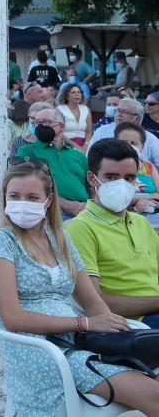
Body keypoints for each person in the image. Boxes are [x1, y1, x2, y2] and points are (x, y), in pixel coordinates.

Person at [0, 160, 159, 416]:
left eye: (32, 197)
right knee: (154, 395)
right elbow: (12, 318)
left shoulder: (59, 239)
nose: (22, 203)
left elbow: (92, 302)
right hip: (39, 347)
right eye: (15, 196)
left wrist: (115, 333)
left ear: (48, 200)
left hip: (75, 340)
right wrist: (83, 324)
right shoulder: (1, 240)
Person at [63, 137, 159, 329]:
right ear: (92, 178)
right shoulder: (81, 228)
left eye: (129, 178)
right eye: (112, 177)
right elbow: (95, 302)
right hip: (129, 325)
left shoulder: (141, 222)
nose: (122, 185)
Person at [17, 105, 89, 217]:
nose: (40, 126)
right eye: (36, 123)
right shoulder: (27, 151)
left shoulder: (78, 155)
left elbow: (91, 187)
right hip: (51, 210)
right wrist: (67, 205)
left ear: (61, 126)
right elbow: (26, 186)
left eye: (45, 122)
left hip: (85, 210)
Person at [57, 83, 91, 149]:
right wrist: (76, 147)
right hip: (66, 145)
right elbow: (59, 132)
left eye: (79, 92)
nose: (77, 94)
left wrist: (86, 145)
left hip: (84, 146)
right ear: (67, 96)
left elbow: (89, 131)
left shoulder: (86, 109)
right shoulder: (60, 110)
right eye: (73, 92)